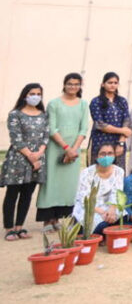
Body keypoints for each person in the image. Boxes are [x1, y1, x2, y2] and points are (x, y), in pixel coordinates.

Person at [37, 72, 90, 226]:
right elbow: (52, 128)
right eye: (70, 84)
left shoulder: (83, 104)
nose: (73, 87)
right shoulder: (54, 104)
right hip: (56, 148)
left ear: (80, 86)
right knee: (51, 182)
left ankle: (61, 217)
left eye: (76, 84)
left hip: (75, 150)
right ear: (64, 85)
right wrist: (66, 147)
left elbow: (83, 129)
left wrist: (74, 149)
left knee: (69, 183)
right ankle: (48, 219)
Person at [2, 83, 47, 240]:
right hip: (19, 159)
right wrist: (31, 156)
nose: (35, 96)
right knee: (12, 194)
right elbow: (16, 138)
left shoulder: (43, 115)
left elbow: (45, 137)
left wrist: (39, 153)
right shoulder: (15, 114)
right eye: (32, 93)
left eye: (38, 93)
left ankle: (19, 227)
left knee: (27, 194)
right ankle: (9, 228)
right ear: (25, 95)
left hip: (38, 160)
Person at [72, 142, 126, 235]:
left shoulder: (119, 171)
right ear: (96, 156)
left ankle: (104, 233)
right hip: (90, 207)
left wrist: (112, 209)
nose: (106, 157)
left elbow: (116, 193)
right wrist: (102, 212)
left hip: (109, 206)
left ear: (114, 155)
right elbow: (84, 198)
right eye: (102, 153)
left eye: (110, 153)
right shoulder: (87, 173)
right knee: (97, 223)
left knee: (123, 217)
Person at [89, 71, 131, 170]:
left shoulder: (122, 101)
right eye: (110, 82)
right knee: (99, 170)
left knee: (118, 171)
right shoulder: (96, 101)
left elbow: (126, 121)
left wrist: (121, 143)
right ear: (103, 84)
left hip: (119, 141)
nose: (113, 85)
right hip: (101, 141)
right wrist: (122, 131)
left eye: (115, 83)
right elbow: (100, 124)